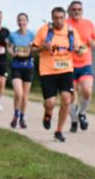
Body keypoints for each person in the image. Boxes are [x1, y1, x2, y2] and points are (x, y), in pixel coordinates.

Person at [31, 7, 84, 142]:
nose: (59, 21)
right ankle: (48, 113)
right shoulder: (44, 30)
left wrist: (79, 50)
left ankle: (58, 131)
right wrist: (43, 47)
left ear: (65, 17)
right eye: (56, 18)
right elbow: (32, 49)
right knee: (50, 102)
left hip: (66, 70)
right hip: (47, 71)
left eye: (61, 18)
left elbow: (81, 48)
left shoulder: (71, 31)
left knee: (66, 99)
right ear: (52, 18)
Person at [68, 0, 95, 133]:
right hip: (68, 65)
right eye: (74, 9)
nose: (77, 11)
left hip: (85, 64)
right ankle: (74, 121)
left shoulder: (88, 24)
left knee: (87, 91)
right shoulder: (65, 24)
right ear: (70, 10)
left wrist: (93, 42)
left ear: (82, 11)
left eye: (79, 9)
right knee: (71, 96)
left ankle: (82, 113)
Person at [7, 12, 34, 129]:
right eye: (19, 20)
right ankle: (16, 115)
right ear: (17, 22)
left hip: (28, 67)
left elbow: (36, 48)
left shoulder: (32, 35)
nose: (21, 22)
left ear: (27, 22)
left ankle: (22, 117)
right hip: (16, 66)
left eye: (23, 20)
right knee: (19, 93)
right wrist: (11, 52)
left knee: (25, 96)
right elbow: (7, 45)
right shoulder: (13, 35)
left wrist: (32, 47)